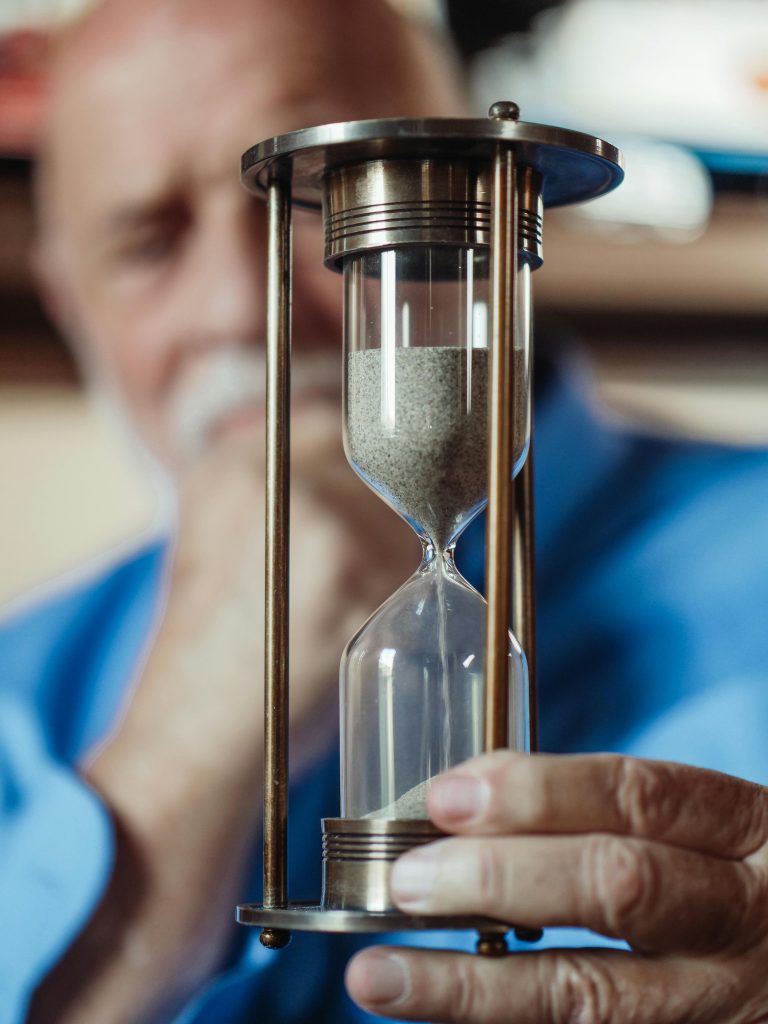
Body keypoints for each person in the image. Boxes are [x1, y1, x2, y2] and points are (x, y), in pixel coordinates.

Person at [3, 0, 768, 1021]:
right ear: (68, 298)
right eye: (149, 242)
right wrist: (172, 763)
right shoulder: (25, 672)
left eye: (329, 213)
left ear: (488, 226)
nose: (244, 305)